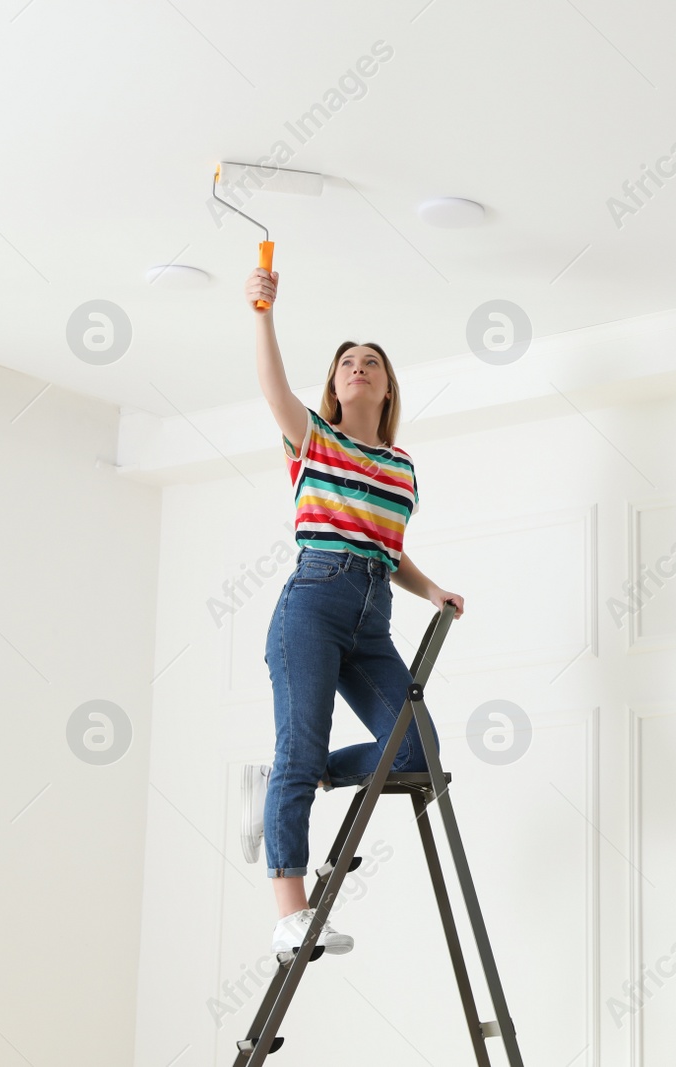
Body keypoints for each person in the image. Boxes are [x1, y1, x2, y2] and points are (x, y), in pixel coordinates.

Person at [238, 265, 464, 957]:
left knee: (419, 749)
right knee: (300, 744)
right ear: (333, 385)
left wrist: (430, 591)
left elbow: (387, 550)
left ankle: (285, 781)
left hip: (370, 616)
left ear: (388, 385)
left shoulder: (401, 468)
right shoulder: (313, 439)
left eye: (371, 363)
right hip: (311, 602)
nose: (358, 369)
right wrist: (262, 312)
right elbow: (272, 387)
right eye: (346, 363)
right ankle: (291, 912)